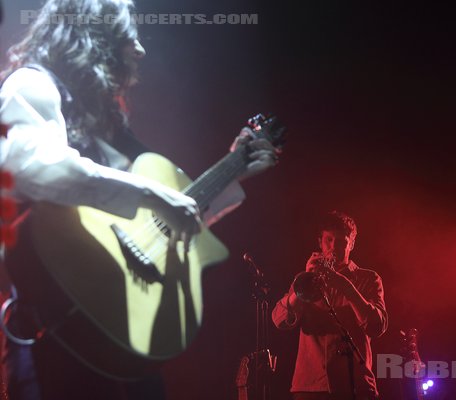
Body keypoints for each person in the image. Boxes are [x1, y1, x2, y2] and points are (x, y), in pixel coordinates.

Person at [0, 0, 280, 399]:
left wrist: (234, 169)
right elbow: (29, 164)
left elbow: (164, 225)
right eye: (128, 33)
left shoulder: (112, 130)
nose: (140, 49)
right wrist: (152, 194)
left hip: (126, 344)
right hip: (53, 339)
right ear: (92, 35)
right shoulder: (32, 84)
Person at [272, 211, 388, 400]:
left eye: (341, 242)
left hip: (355, 385)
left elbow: (377, 326)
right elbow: (279, 320)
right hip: (310, 386)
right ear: (320, 242)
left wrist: (345, 286)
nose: (334, 247)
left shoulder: (369, 279)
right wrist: (303, 284)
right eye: (329, 240)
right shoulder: (306, 279)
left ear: (352, 243)